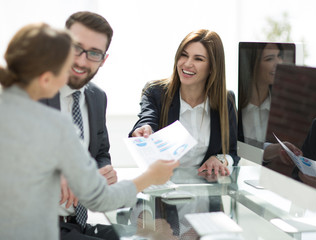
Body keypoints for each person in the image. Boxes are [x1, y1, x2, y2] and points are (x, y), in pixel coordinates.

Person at [0, 23, 179, 240]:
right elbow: (101, 200)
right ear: (47, 79)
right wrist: (151, 176)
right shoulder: (54, 125)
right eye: (66, 68)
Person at [39, 11, 118, 239]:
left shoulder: (97, 97)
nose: (82, 61)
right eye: (76, 47)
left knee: (148, 234)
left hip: (75, 224)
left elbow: (101, 153)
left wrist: (102, 172)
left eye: (94, 53)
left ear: (104, 59)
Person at [129, 29, 239, 176]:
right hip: (163, 192)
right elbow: (147, 119)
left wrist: (219, 159)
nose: (187, 64)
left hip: (207, 193)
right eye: (184, 55)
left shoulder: (226, 100)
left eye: (198, 59)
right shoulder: (155, 92)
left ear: (213, 67)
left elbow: (234, 150)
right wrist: (144, 128)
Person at [238, 43, 284, 148]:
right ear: (252, 64)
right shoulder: (235, 107)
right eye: (269, 59)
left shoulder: (282, 107)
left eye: (279, 56)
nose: (279, 63)